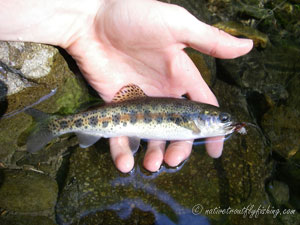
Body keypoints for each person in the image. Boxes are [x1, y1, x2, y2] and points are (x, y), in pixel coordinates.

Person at [0, 0, 253, 173]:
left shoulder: (193, 123)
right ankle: (55, 125)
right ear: (203, 117)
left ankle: (56, 125)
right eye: (221, 119)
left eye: (222, 119)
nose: (225, 123)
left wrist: (96, 11)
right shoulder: (191, 123)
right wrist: (96, 11)